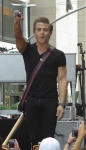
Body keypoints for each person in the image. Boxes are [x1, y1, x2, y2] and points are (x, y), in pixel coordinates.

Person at [13, 13, 67, 148]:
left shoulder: (58, 55)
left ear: (50, 32)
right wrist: (17, 22)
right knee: (34, 139)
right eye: (39, 30)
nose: (42, 33)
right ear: (34, 32)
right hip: (31, 99)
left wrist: (62, 103)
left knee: (48, 139)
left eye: (45, 29)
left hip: (50, 100)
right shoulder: (27, 50)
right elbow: (18, 37)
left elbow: (62, 79)